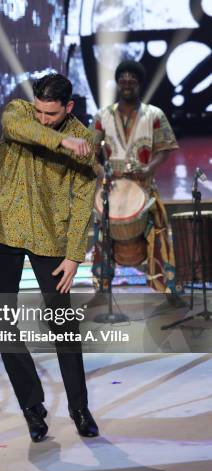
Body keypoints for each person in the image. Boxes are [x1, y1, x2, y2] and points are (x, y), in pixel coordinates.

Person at [0, 73, 99, 442]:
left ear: (69, 107)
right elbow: (23, 128)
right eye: (39, 110)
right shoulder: (19, 113)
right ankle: (32, 407)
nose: (42, 119)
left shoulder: (85, 139)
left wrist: (74, 255)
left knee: (63, 323)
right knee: (2, 321)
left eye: (51, 114)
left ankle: (79, 408)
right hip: (3, 232)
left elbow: (83, 198)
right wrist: (58, 138)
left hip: (51, 238)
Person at [90, 60, 181, 299]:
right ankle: (102, 290)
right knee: (102, 235)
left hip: (144, 186)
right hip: (112, 188)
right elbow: (87, 151)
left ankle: (166, 289)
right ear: (118, 82)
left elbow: (166, 147)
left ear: (139, 83)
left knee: (159, 229)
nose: (127, 81)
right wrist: (100, 171)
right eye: (123, 77)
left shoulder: (154, 115)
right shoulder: (103, 116)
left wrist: (149, 168)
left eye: (132, 78)